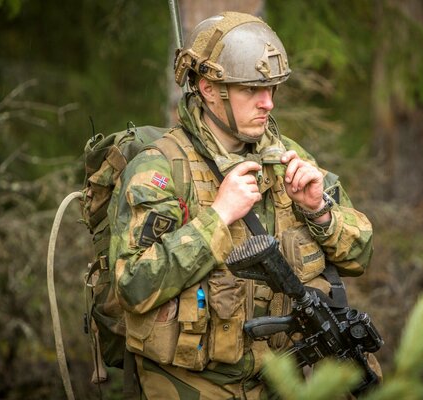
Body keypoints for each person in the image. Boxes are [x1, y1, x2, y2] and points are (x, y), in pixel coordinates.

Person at [108, 11, 375, 399]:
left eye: (272, 89)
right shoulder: (159, 168)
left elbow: (359, 255)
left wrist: (319, 210)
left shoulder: (289, 160)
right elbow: (132, 286)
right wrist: (217, 217)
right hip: (191, 385)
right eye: (251, 89)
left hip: (284, 382)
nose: (267, 103)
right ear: (208, 88)